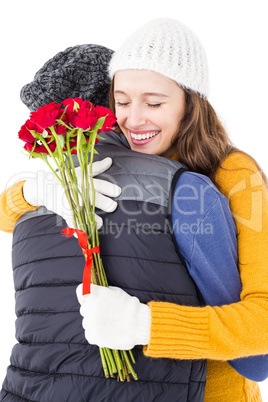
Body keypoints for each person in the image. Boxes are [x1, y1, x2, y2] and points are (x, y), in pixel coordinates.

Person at [0, 20, 267, 401]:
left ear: (192, 102)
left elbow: (261, 338)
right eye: (121, 102)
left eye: (154, 103)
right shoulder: (101, 172)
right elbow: (5, 218)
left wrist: (147, 325)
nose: (133, 120)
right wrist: (33, 190)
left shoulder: (232, 174)